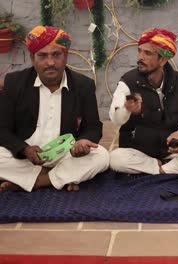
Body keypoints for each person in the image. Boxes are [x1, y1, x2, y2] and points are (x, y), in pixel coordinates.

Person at [0, 26, 109, 192]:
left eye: (56, 55)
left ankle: (38, 181)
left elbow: (93, 126)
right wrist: (23, 149)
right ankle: (60, 176)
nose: (50, 62)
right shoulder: (15, 82)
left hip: (66, 154)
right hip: (27, 155)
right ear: (32, 58)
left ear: (65, 57)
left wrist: (83, 141)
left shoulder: (83, 85)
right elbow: (3, 129)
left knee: (102, 156)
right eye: (42, 56)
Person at [109, 28, 178, 176]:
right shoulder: (128, 82)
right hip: (138, 152)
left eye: (147, 53)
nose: (140, 57)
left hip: (172, 152)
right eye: (139, 51)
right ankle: (163, 168)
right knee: (115, 159)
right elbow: (115, 119)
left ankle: (161, 169)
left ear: (162, 60)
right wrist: (125, 109)